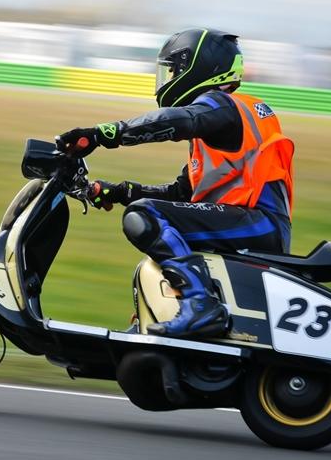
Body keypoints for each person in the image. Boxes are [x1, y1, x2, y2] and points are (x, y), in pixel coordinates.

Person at [55, 28, 295, 339]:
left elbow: (178, 121)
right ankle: (167, 313)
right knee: (151, 223)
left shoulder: (223, 106)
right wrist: (120, 191)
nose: (167, 79)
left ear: (198, 69)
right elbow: (181, 195)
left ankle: (201, 305)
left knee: (144, 216)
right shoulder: (218, 127)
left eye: (173, 71)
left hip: (258, 225)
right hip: (244, 221)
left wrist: (104, 134)